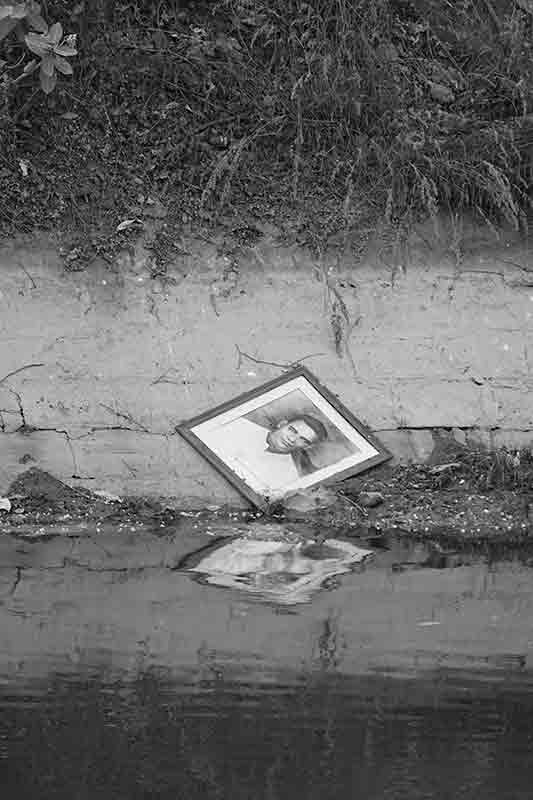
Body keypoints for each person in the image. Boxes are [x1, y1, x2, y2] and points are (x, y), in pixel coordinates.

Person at [197, 412, 328, 496]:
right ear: (282, 424)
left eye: (303, 440)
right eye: (292, 430)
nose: (292, 439)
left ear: (307, 447)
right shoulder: (236, 425)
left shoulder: (287, 478)